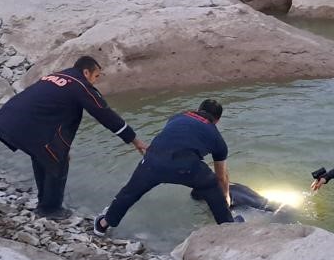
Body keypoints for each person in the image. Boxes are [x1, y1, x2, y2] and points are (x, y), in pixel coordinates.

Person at [0, 56, 148, 220]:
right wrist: (135, 140)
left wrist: (62, 147)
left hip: (8, 120)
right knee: (58, 162)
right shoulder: (80, 86)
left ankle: (43, 205)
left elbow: (50, 110)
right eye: (96, 76)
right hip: (28, 125)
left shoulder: (59, 76)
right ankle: (51, 209)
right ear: (86, 72)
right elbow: (105, 114)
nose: (95, 81)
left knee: (44, 156)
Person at [94, 99, 235, 236]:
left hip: (153, 160)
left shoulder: (177, 117)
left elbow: (172, 138)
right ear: (217, 120)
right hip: (186, 167)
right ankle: (229, 227)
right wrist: (226, 198)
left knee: (129, 193)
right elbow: (221, 177)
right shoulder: (217, 138)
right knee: (211, 185)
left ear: (198, 110)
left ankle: (103, 224)